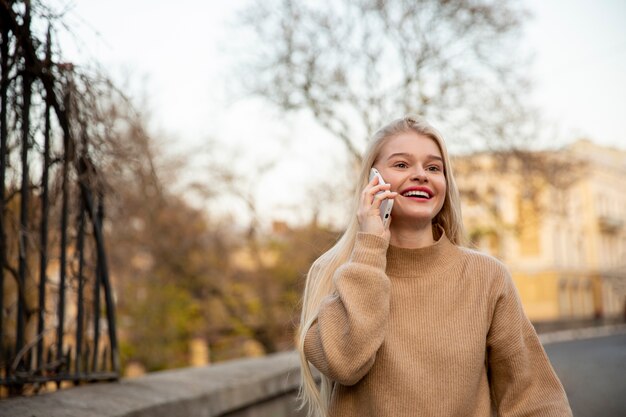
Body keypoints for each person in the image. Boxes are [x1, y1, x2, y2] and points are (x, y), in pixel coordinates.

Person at [296, 116, 572, 417]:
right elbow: (345, 364)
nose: (421, 175)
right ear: (372, 180)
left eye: (433, 168)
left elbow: (534, 398)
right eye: (401, 165)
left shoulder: (487, 276)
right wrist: (369, 250)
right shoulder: (333, 272)